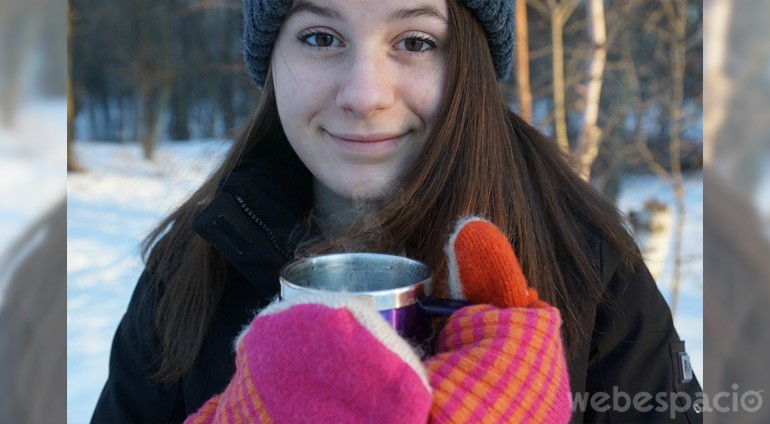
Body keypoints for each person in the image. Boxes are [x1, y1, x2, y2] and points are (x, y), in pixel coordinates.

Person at [91, 0, 703, 422]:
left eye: (415, 42)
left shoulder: (589, 265)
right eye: (320, 37)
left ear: (470, 65)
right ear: (271, 61)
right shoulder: (192, 268)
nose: (364, 94)